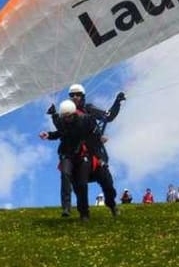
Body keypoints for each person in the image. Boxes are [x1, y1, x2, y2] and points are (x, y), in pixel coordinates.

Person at [47, 84, 126, 217]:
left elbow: (108, 117)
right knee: (80, 186)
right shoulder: (65, 114)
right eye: (72, 95)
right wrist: (53, 119)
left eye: (78, 94)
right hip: (76, 154)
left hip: (93, 151)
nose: (75, 97)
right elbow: (62, 132)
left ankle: (112, 204)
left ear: (83, 96)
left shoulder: (89, 110)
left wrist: (117, 102)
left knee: (106, 181)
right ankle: (84, 214)